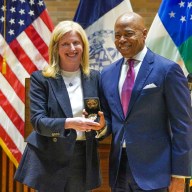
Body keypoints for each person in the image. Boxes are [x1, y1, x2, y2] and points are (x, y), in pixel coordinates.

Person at [99, 12, 192, 192]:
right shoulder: (107, 74)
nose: (121, 40)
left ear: (144, 33)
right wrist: (101, 127)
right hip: (119, 170)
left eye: (128, 33)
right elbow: (111, 120)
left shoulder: (167, 70)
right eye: (117, 35)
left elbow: (182, 126)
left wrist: (180, 175)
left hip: (156, 172)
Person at [14, 21, 105, 192]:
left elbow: (104, 118)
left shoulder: (95, 78)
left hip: (83, 158)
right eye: (65, 44)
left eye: (76, 43)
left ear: (83, 46)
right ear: (56, 48)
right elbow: (38, 121)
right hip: (50, 159)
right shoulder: (41, 79)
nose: (72, 48)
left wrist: (101, 126)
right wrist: (70, 123)